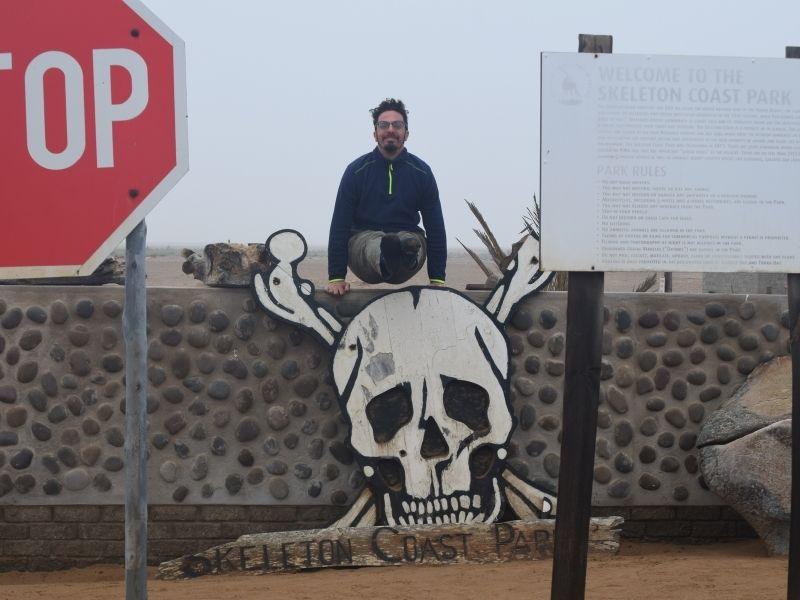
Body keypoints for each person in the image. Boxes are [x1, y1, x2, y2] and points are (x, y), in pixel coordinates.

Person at [326, 98, 446, 296]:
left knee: (410, 241)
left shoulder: (422, 173)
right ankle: (387, 254)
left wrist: (437, 279)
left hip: (408, 239)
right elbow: (339, 225)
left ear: (406, 133)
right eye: (384, 125)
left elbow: (436, 228)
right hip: (364, 244)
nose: (390, 129)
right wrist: (336, 277)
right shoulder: (356, 171)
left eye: (397, 125)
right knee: (374, 244)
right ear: (375, 134)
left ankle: (402, 253)